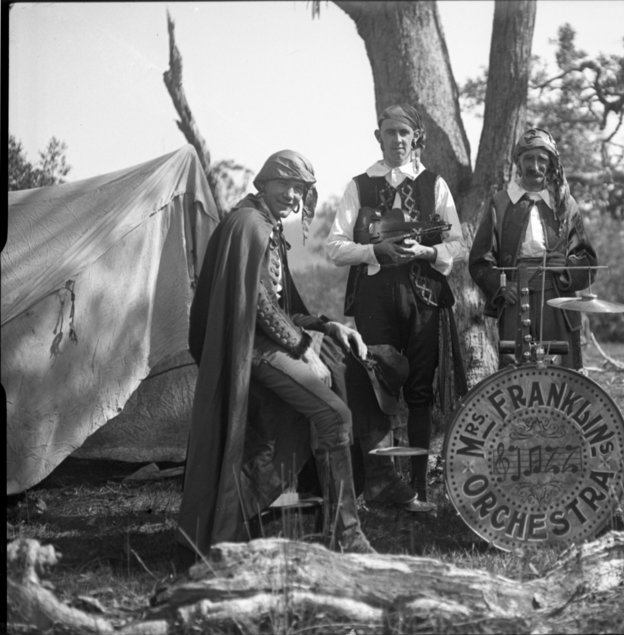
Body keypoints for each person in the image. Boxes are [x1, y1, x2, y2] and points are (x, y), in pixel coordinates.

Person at [176, 150, 375, 568]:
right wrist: (305, 349)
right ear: (262, 184)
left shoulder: (264, 224)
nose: (291, 194)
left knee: (326, 391)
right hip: (253, 352)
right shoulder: (249, 225)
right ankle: (346, 535)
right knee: (334, 415)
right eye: (283, 184)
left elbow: (283, 306)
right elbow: (263, 308)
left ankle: (299, 518)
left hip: (264, 345)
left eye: (299, 188)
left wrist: (325, 326)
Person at [326, 103, 467, 503]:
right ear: (379, 137)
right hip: (374, 301)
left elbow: (457, 243)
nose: (398, 140)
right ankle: (382, 486)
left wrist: (425, 251)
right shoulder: (360, 185)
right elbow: (334, 248)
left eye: (405, 133)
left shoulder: (434, 184)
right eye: (390, 133)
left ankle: (419, 487)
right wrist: (376, 252)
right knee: (377, 390)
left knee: (420, 393)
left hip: (423, 301)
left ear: (416, 138)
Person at [469, 128, 598, 369]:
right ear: (518, 161)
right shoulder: (501, 203)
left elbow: (587, 260)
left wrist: (567, 268)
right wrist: (501, 285)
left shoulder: (565, 204)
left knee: (560, 370)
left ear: (551, 164)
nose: (535, 165)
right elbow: (480, 260)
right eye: (528, 158)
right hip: (516, 298)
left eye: (542, 159)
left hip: (558, 299)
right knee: (517, 370)